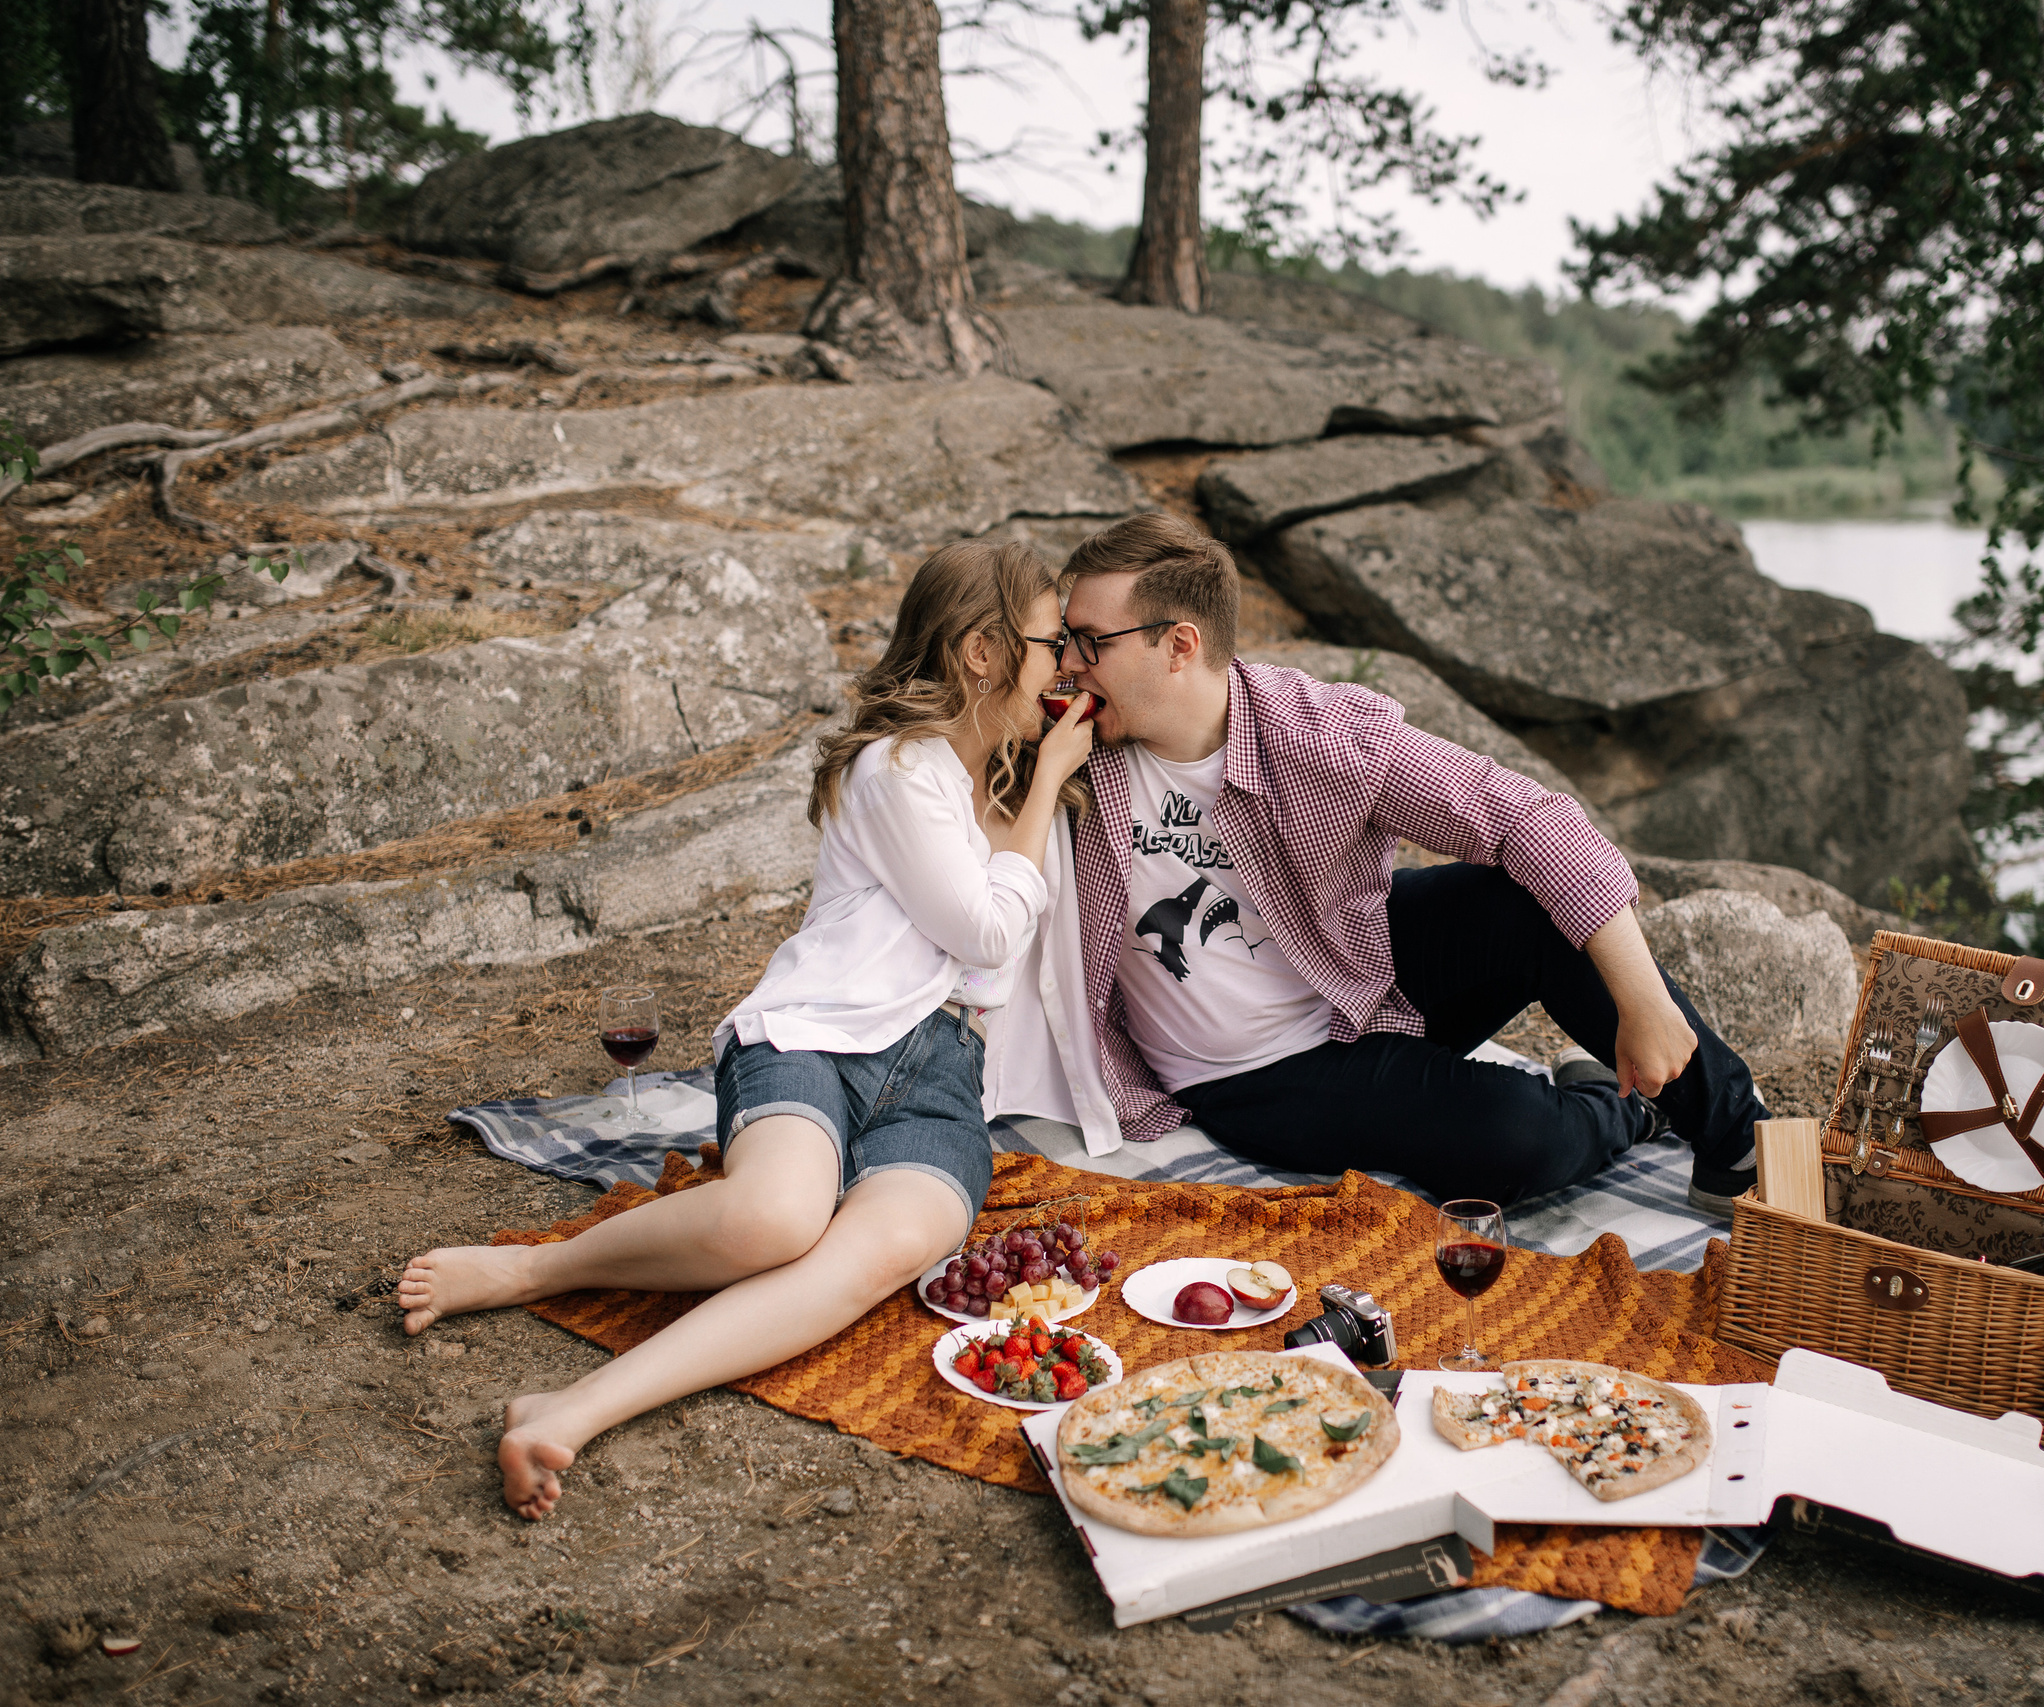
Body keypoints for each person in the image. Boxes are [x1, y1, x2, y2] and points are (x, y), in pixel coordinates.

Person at [393, 541, 1094, 1520]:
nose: (1064, 663)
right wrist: (1055, 765)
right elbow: (982, 927)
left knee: (879, 1255)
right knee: (775, 1218)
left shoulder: (1030, 794)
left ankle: (575, 1408)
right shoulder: (898, 768)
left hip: (943, 1080)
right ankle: (529, 1268)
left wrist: (1050, 773)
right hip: (815, 1036)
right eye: (1050, 642)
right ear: (982, 653)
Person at [992, 512, 1768, 1210]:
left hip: (1353, 970)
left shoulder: (1314, 732)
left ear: (1180, 646)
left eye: (1091, 642)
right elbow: (938, 743)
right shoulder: (1066, 749)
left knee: (1527, 905)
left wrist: (1644, 1002)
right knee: (1518, 1138)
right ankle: (1627, 1106)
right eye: (1066, 641)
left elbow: (1529, 815)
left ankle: (1740, 1143)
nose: (1071, 664)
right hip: (1254, 1071)